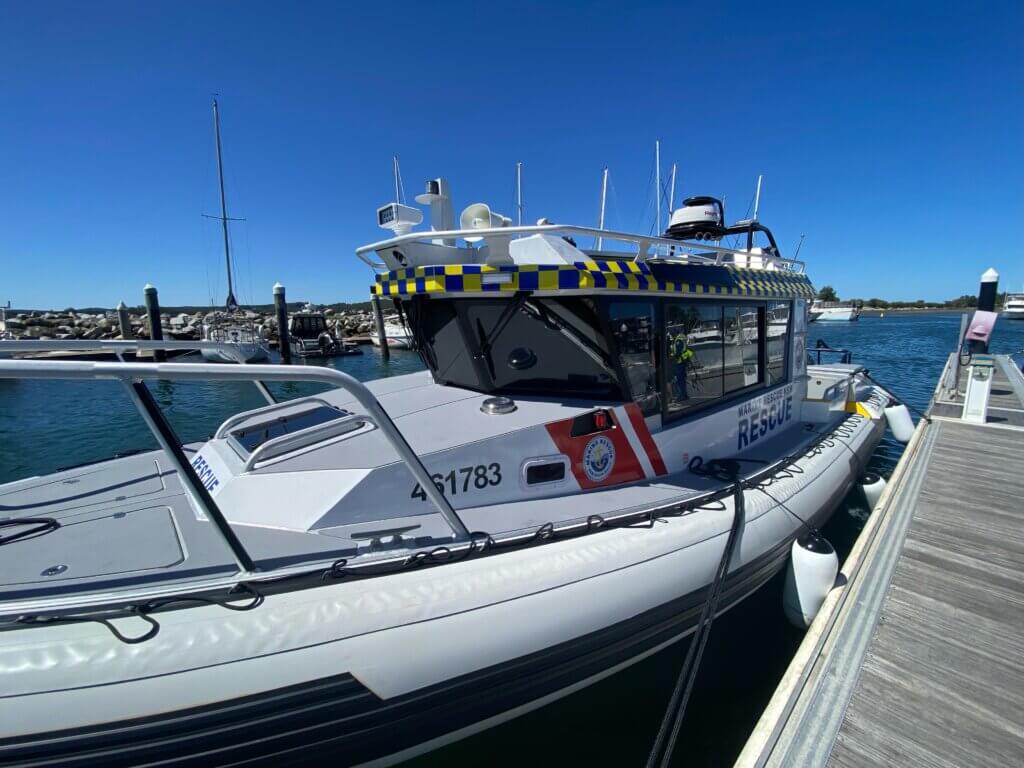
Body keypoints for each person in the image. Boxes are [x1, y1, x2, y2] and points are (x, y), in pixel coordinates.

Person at [668, 329, 694, 403]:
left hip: (680, 362)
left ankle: (681, 396)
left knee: (679, 380)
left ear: (675, 334)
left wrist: (671, 357)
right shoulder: (682, 337)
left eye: (672, 335)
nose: (671, 337)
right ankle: (684, 395)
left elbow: (678, 352)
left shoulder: (678, 340)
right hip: (683, 361)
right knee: (682, 379)